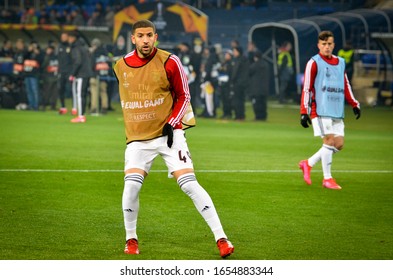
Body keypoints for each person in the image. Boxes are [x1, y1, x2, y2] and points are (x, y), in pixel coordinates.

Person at [113, 19, 234, 258]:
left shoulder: (170, 61)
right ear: (133, 38)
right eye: (140, 35)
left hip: (170, 133)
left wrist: (172, 122)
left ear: (155, 37)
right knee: (131, 187)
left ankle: (222, 238)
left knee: (189, 184)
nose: (145, 40)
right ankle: (131, 240)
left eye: (149, 35)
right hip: (138, 138)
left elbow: (184, 94)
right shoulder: (120, 65)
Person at [299, 30, 361, 190]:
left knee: (338, 144)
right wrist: (304, 111)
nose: (327, 47)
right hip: (320, 109)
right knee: (329, 141)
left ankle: (308, 163)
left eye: (329, 44)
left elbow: (345, 84)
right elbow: (306, 88)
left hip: (337, 109)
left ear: (334, 45)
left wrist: (354, 104)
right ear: (319, 45)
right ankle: (327, 179)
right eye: (324, 44)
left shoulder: (340, 62)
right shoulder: (313, 62)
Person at [68, 31, 93, 123]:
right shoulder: (84, 47)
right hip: (86, 73)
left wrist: (72, 74)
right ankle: (81, 115)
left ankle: (81, 116)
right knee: (83, 94)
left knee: (80, 95)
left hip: (81, 74)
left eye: (70, 37)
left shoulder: (76, 48)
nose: (69, 39)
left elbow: (77, 62)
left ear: (74, 38)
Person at [89, 38, 110, 115]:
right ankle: (104, 107)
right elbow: (109, 64)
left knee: (94, 92)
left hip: (95, 75)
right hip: (104, 75)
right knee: (103, 92)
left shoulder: (93, 53)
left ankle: (94, 108)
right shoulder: (105, 52)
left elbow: (91, 64)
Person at [249, 50, 269, 121]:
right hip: (264, 88)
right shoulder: (266, 64)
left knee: (257, 103)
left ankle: (258, 116)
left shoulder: (254, 65)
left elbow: (249, 72)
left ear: (255, 57)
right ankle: (264, 116)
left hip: (256, 88)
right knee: (263, 103)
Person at [231, 46, 249, 121]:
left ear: (238, 52)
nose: (233, 53)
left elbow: (235, 72)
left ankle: (238, 116)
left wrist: (232, 80)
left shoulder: (238, 60)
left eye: (234, 51)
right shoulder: (245, 59)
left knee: (237, 100)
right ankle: (242, 115)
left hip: (238, 83)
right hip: (244, 83)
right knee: (241, 100)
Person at [57, 32, 72, 114]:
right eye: (62, 36)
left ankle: (74, 108)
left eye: (65, 36)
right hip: (61, 71)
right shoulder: (59, 47)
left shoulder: (70, 46)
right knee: (60, 89)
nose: (63, 38)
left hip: (69, 71)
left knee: (71, 90)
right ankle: (63, 107)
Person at [41, 45, 59, 111]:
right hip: (48, 77)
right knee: (47, 92)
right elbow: (43, 66)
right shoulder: (46, 57)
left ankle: (53, 105)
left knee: (55, 93)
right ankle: (44, 105)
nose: (48, 51)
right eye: (47, 49)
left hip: (55, 77)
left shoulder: (56, 57)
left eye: (49, 49)